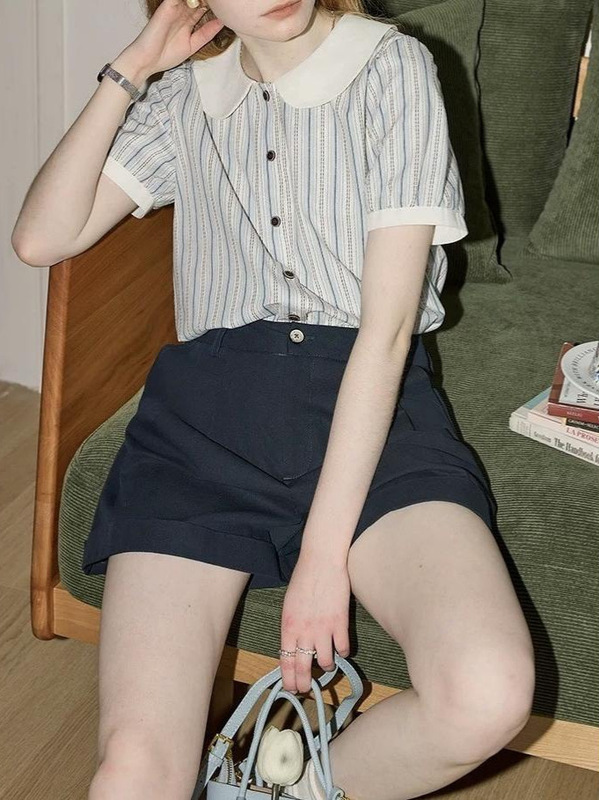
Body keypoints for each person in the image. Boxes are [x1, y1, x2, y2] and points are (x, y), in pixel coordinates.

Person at [11, 1, 536, 798]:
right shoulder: (185, 94)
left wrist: (323, 559)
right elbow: (41, 238)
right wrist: (133, 67)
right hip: (201, 430)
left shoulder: (390, 67)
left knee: (485, 692)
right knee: (131, 775)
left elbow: (387, 333)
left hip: (369, 411)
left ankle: (269, 791)